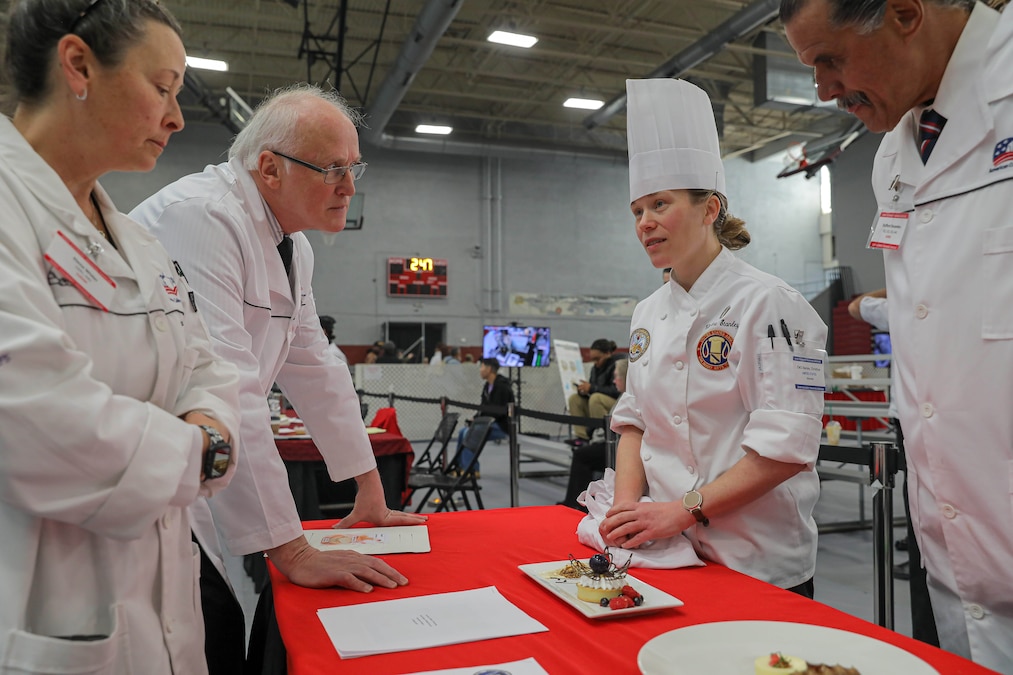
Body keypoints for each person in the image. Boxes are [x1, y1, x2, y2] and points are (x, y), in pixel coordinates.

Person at [131, 84, 426, 672]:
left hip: (194, 466)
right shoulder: (203, 218)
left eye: (354, 167)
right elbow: (229, 387)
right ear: (269, 169)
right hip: (142, 475)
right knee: (209, 632)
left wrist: (370, 491)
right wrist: (291, 548)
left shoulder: (292, 244)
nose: (350, 186)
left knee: (218, 628)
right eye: (334, 169)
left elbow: (316, 367)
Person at [0, 1, 242, 672]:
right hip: (40, 600)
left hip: (162, 600)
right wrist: (201, 453)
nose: (175, 116)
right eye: (161, 87)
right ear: (78, 65)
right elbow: (32, 417)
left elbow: (209, 370)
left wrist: (196, 438)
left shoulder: (136, 239)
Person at [782, 0, 1013, 667]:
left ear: (906, 13)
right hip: (953, 553)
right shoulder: (894, 157)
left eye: (830, 58)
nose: (823, 88)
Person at [598, 78, 828, 598]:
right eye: (637, 211)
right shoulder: (647, 312)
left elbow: (785, 449)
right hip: (669, 551)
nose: (645, 223)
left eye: (660, 204)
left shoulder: (770, 304)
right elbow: (633, 424)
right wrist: (626, 513)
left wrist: (679, 511)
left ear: (710, 209)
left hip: (756, 558)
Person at [848, 288, 940, 647]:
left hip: (916, 422)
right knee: (925, 531)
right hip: (917, 422)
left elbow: (857, 306)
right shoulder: (901, 307)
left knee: (926, 529)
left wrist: (894, 286)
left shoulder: (896, 305)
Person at [560, 358, 629, 509]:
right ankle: (575, 502)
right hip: (613, 444)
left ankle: (574, 504)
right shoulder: (621, 397)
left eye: (617, 376)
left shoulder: (628, 399)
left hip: (619, 449)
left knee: (582, 455)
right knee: (583, 453)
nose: (614, 380)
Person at [455, 358, 515, 474]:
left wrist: (479, 421)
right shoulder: (487, 386)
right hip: (488, 423)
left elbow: (497, 413)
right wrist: (475, 418)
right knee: (462, 431)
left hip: (502, 426)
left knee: (470, 433)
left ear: (489, 369)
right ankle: (460, 465)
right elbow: (484, 408)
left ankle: (471, 469)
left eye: (482, 367)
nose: (480, 370)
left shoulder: (502, 387)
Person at [566, 338, 622, 445]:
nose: (595, 363)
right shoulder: (595, 369)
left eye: (597, 359)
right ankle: (582, 437)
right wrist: (584, 390)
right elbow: (593, 388)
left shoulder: (618, 365)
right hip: (598, 405)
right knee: (575, 399)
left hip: (616, 405)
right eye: (593, 360)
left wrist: (592, 388)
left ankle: (603, 435)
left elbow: (618, 391)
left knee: (596, 398)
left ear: (608, 354)